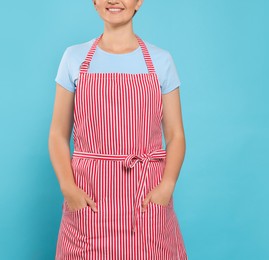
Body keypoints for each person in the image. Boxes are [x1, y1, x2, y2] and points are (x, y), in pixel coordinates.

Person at [48, 0, 188, 258]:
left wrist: (166, 187)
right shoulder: (74, 58)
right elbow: (57, 133)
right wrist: (69, 189)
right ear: (94, 2)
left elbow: (176, 135)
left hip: (146, 198)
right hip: (90, 197)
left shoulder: (161, 61)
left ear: (139, 1)